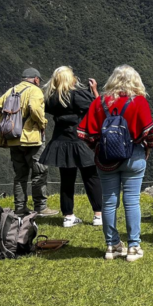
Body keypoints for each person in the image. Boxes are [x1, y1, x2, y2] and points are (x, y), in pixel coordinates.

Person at [78, 65, 153, 262]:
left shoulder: (99, 102)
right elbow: (150, 131)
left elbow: (84, 133)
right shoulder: (139, 101)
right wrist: (148, 148)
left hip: (105, 160)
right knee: (131, 201)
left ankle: (112, 246)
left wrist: (96, 148)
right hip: (134, 156)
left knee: (109, 202)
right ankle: (133, 247)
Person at [40, 67, 103, 227]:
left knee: (67, 180)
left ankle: (68, 216)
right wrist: (94, 90)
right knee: (91, 177)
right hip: (79, 140)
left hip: (60, 141)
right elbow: (97, 107)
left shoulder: (51, 98)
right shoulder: (76, 94)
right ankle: (98, 214)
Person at [0, 68, 58, 217]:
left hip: (13, 138)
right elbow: (34, 108)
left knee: (20, 175)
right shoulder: (35, 91)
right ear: (36, 79)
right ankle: (40, 207)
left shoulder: (11, 91)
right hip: (31, 139)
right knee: (39, 172)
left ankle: (20, 208)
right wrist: (43, 122)